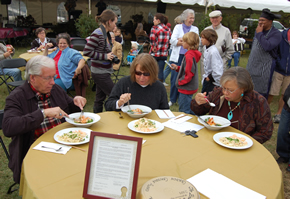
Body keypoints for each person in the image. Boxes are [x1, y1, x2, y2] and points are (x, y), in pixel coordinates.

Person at [2, 55, 87, 184]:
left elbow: (71, 111)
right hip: (36, 153)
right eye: (48, 78)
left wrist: (77, 102)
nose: (53, 82)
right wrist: (43, 113)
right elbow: (8, 127)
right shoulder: (16, 98)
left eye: (54, 76)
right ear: (32, 78)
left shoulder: (55, 89)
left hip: (64, 146)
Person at [191, 67, 273, 144]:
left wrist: (244, 142)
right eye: (224, 88)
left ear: (243, 88)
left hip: (239, 146)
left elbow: (265, 131)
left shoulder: (257, 102)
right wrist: (197, 102)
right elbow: (199, 111)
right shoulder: (218, 93)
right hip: (212, 140)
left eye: (230, 90)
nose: (225, 92)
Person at [105, 53, 169, 111]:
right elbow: (108, 105)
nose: (142, 77)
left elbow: (165, 111)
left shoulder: (159, 87)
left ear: (153, 73)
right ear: (133, 71)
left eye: (146, 74)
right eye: (138, 73)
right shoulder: (123, 83)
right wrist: (119, 103)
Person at [268, 11, 290, 123]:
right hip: (278, 69)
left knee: (284, 93)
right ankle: (265, 112)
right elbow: (275, 49)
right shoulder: (282, 35)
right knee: (272, 92)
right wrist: (278, 61)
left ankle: (278, 114)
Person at [83, 9, 117, 113]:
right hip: (100, 72)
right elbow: (87, 52)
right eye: (115, 22)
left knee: (99, 99)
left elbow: (102, 50)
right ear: (109, 21)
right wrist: (105, 57)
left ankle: (97, 118)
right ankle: (112, 117)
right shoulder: (97, 33)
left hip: (102, 71)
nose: (115, 25)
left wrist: (110, 55)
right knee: (115, 95)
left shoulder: (104, 33)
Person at [246, 8, 282, 99]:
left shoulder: (276, 34)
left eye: (263, 20)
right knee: (248, 87)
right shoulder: (258, 31)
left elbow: (268, 46)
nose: (260, 22)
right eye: (259, 20)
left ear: (270, 21)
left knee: (260, 92)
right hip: (252, 65)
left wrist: (259, 34)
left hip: (264, 68)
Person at [168, 9, 199, 107]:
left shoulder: (195, 29)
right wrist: (183, 41)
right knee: (174, 78)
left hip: (188, 56)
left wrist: (181, 40)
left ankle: (183, 97)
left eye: (193, 18)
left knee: (186, 76)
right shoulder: (178, 27)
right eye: (190, 18)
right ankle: (173, 99)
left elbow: (196, 42)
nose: (192, 20)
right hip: (177, 56)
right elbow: (172, 40)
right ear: (185, 18)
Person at [170, 32, 201, 114]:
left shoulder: (189, 56)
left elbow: (189, 73)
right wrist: (178, 68)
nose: (182, 43)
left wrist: (180, 82)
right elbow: (187, 69)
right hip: (188, 88)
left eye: (183, 41)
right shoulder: (191, 54)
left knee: (184, 111)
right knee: (187, 107)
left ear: (189, 42)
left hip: (186, 88)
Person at [150, 13, 171, 82]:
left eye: (154, 20)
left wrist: (153, 46)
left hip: (155, 53)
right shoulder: (168, 29)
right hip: (164, 53)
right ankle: (160, 84)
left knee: (150, 69)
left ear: (158, 20)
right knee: (160, 71)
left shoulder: (154, 28)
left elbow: (152, 39)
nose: (153, 21)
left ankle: (150, 82)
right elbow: (170, 40)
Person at [201, 29, 223, 93]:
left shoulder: (213, 52)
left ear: (209, 39)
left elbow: (217, 68)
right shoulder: (207, 49)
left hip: (212, 83)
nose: (201, 39)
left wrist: (210, 78)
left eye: (203, 38)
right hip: (207, 80)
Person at [163, 14, 183, 87]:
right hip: (174, 50)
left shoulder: (177, 28)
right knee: (170, 67)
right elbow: (173, 40)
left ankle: (163, 79)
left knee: (170, 67)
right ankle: (162, 80)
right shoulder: (177, 29)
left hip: (174, 50)